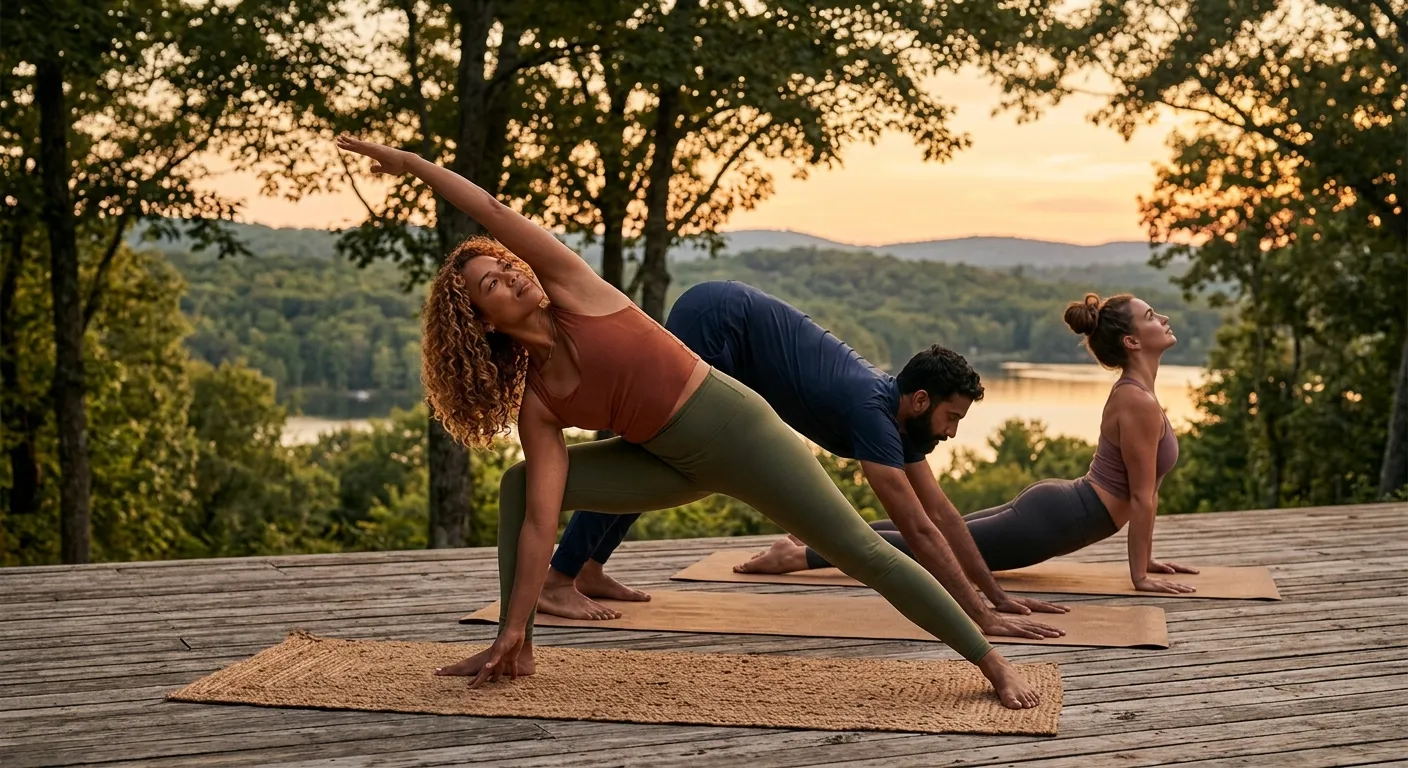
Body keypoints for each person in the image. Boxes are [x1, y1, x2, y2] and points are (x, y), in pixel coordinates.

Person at [334, 135, 1042, 709]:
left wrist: (410, 166)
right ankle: (514, 646)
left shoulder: (573, 288)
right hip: (665, 463)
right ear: (482, 321)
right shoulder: (537, 401)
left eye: (505, 267)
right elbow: (539, 520)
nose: (512, 277)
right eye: (492, 284)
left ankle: (992, 665)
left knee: (864, 552)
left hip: (738, 433)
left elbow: (489, 207)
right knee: (521, 485)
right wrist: (515, 620)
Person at [542, 281, 1069, 642]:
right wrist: (979, 617)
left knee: (664, 452)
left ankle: (586, 567)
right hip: (716, 320)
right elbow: (918, 532)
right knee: (660, 448)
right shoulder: (873, 415)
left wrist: (997, 598)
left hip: (734, 333)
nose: (953, 434)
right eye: (953, 417)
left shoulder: (902, 419)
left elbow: (943, 517)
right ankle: (559, 578)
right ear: (922, 400)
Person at [742, 293, 1200, 594]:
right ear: (1132, 341)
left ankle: (811, 539)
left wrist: (1147, 563)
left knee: (936, 534)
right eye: (1150, 316)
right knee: (927, 547)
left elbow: (1143, 493)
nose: (1162, 318)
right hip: (1060, 520)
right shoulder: (1137, 401)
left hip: (1063, 511)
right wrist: (1140, 574)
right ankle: (801, 554)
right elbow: (1142, 497)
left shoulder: (1137, 396)